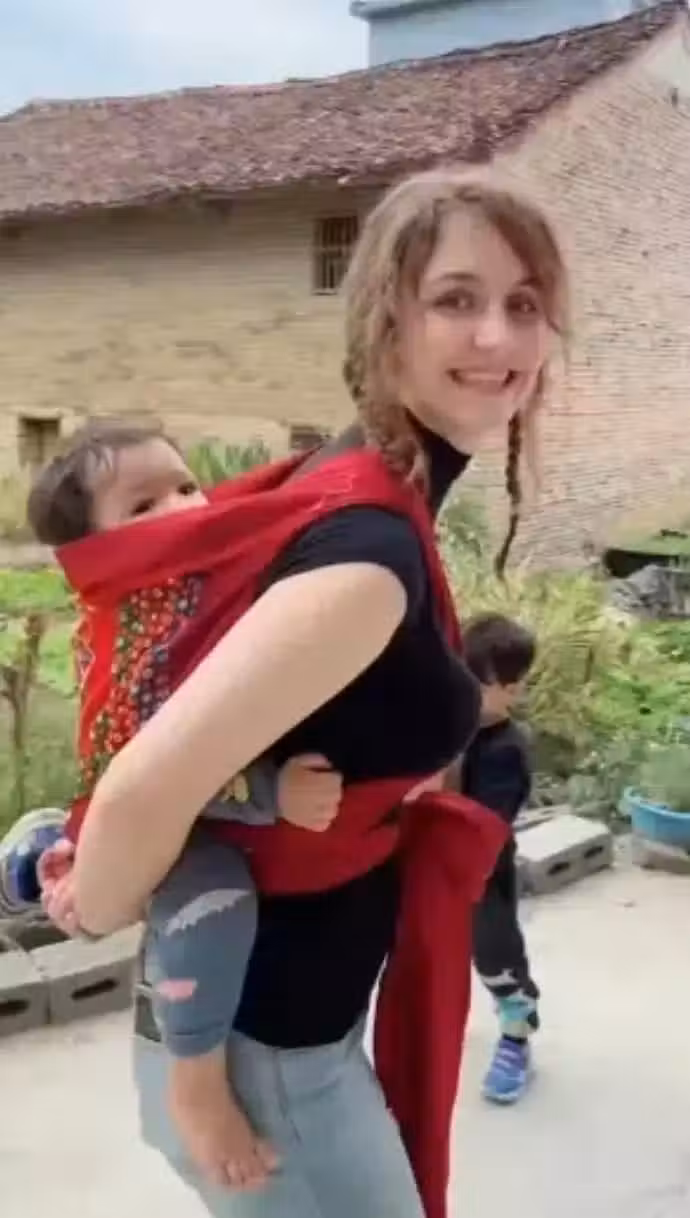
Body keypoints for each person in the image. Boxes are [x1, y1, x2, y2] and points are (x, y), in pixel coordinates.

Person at [67, 168, 568, 1218]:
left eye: (524, 304)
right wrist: (97, 899)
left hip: (284, 1041)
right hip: (269, 1074)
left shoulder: (352, 484)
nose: (497, 337)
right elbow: (140, 793)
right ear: (385, 319)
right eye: (457, 299)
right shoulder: (364, 559)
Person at [6, 421, 343, 1187]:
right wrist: (267, 792)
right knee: (212, 896)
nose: (184, 507)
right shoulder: (148, 620)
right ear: (97, 549)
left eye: (187, 486)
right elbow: (154, 765)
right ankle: (195, 1074)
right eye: (144, 504)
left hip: (167, 801)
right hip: (159, 817)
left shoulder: (210, 573)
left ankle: (35, 856)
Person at [455, 612, 539, 1104]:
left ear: (512, 689)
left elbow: (483, 827)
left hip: (483, 877)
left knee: (497, 958)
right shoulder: (447, 725)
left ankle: (516, 1035)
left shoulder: (506, 751)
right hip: (434, 873)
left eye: (479, 685)